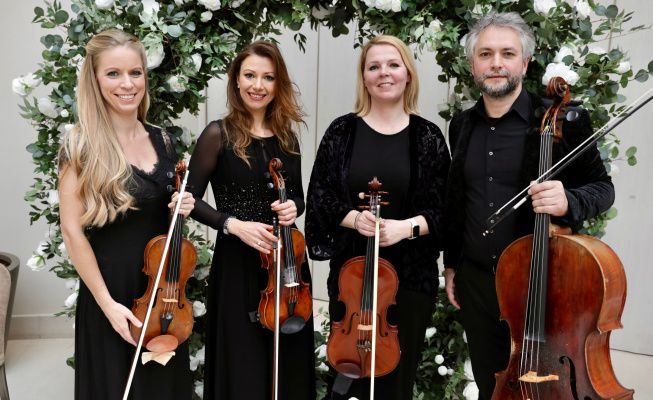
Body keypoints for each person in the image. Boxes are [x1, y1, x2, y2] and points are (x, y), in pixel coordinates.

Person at [443, 12, 615, 400]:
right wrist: (452, 264)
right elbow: (458, 201)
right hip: (477, 284)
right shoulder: (461, 125)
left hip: (540, 284)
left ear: (524, 63)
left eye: (507, 53)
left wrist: (569, 200)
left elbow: (602, 189)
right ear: (473, 64)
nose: (496, 63)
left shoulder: (563, 120)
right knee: (492, 386)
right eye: (485, 54)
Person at [306, 35, 451, 400]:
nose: (384, 73)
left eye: (393, 64)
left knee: (396, 386)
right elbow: (320, 196)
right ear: (364, 77)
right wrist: (354, 219)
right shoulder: (342, 132)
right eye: (374, 66)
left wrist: (406, 228)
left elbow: (445, 210)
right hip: (352, 281)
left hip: (409, 282)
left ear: (408, 74)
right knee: (348, 382)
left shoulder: (428, 137)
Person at [58, 29, 195, 400]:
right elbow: (71, 231)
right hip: (111, 293)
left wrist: (182, 207)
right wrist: (108, 306)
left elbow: (164, 217)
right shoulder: (80, 145)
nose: (127, 84)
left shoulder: (161, 138)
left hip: (163, 295)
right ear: (95, 79)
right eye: (113, 74)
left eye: (135, 72)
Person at [186, 40, 315, 400]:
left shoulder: (286, 136)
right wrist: (233, 225)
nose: (258, 85)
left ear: (278, 83)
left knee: (287, 358)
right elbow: (188, 199)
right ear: (237, 80)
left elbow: (298, 196)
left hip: (285, 265)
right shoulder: (218, 134)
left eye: (268, 77)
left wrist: (294, 208)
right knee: (243, 360)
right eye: (250, 76)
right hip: (238, 263)